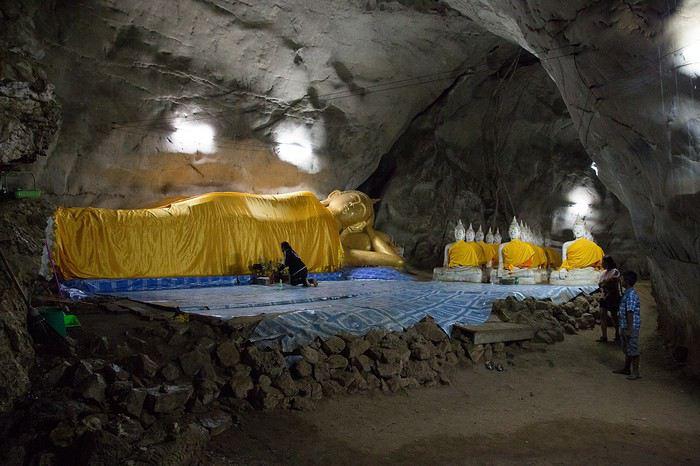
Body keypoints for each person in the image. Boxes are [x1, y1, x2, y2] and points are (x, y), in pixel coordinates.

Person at [613, 270, 641, 380]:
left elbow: (630, 312)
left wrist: (629, 328)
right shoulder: (628, 293)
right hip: (626, 325)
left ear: (627, 281)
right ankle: (627, 368)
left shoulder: (631, 295)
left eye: (623, 279)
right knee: (628, 348)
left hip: (631, 326)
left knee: (633, 349)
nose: (621, 280)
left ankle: (635, 371)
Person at [597, 255, 622, 343]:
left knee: (614, 316)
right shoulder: (603, 273)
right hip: (604, 296)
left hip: (612, 296)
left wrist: (605, 283)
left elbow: (613, 281)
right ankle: (604, 336)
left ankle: (617, 334)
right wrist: (605, 284)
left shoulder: (615, 271)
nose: (602, 263)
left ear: (608, 262)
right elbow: (600, 284)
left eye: (603, 262)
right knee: (602, 315)